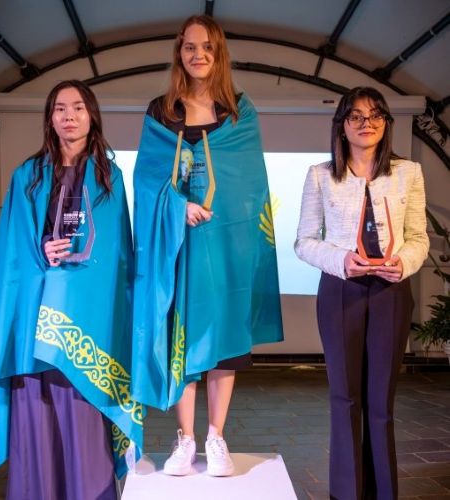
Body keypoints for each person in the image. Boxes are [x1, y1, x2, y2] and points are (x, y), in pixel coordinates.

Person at [131, 15, 283, 477]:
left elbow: (250, 183)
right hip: (178, 246)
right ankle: (185, 438)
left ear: (219, 54)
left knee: (224, 340)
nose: (198, 55)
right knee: (183, 338)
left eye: (207, 47)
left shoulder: (238, 110)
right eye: (190, 47)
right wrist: (177, 208)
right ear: (179, 53)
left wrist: (221, 215)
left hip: (225, 244)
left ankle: (216, 436)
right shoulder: (161, 111)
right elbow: (147, 179)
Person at [0, 80, 143, 499]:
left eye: (78, 108)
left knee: (82, 421)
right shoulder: (27, 176)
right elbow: (13, 248)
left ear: (92, 116)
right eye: (60, 109)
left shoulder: (108, 177)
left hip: (84, 322)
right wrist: (41, 251)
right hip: (35, 321)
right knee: (37, 421)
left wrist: (80, 265)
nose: (69, 116)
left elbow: (116, 252)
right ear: (50, 119)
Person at [295, 86, 429, 499]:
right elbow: (303, 241)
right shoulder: (321, 175)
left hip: (392, 291)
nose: (365, 123)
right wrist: (340, 260)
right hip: (340, 291)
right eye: (355, 116)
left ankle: (384, 491)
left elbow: (418, 237)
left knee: (381, 401)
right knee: (344, 397)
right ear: (342, 125)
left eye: (374, 115)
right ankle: (347, 492)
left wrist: (403, 262)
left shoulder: (408, 172)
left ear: (386, 122)